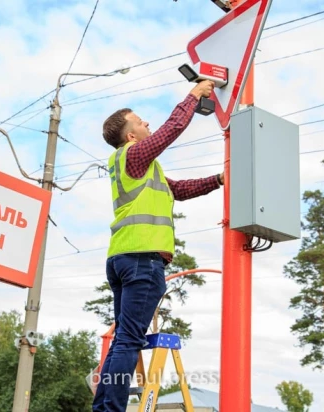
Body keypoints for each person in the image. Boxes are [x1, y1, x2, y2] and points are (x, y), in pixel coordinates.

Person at [92, 79, 222, 412]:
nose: (147, 123)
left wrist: (219, 180)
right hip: (142, 260)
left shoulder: (141, 166)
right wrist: (194, 95)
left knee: (123, 340)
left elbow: (179, 189)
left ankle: (103, 407)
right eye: (140, 121)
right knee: (129, 341)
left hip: (123, 257)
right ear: (131, 135)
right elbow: (171, 130)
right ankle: (110, 410)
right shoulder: (134, 156)